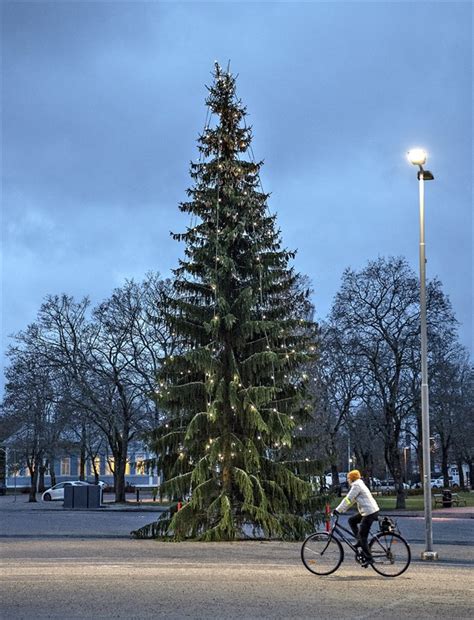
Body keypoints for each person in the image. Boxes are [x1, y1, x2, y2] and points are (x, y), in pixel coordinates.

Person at [333, 469, 380, 563]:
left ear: (352, 479)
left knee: (363, 537)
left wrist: (337, 510)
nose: (347, 480)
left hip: (369, 513)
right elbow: (352, 501)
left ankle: (369, 558)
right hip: (368, 511)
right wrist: (342, 509)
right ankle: (359, 541)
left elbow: (348, 499)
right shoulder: (359, 484)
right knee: (352, 520)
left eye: (348, 478)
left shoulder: (356, 486)